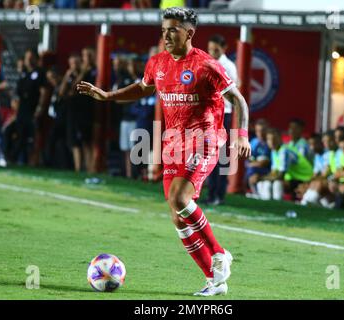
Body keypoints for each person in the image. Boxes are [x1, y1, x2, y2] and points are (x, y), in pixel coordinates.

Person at [77, 7, 251, 296]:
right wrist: (108, 96)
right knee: (177, 214)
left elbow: (239, 101)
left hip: (204, 139)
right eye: (164, 30)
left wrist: (242, 136)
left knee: (179, 197)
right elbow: (143, 88)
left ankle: (221, 253)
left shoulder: (206, 65)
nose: (166, 35)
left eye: (173, 29)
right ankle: (214, 280)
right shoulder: (157, 63)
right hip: (173, 144)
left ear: (189, 33)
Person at [206, 34, 239, 205]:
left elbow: (233, 91)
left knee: (219, 156)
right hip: (210, 114)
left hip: (222, 114)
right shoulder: (209, 63)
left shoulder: (228, 66)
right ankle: (212, 194)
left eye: (216, 49)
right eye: (210, 49)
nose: (212, 52)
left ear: (224, 48)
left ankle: (218, 194)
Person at [12, 48, 47, 165]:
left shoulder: (40, 73)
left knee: (33, 137)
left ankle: (33, 162)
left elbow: (43, 92)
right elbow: (17, 94)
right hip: (22, 109)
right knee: (20, 135)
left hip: (33, 109)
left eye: (31, 58)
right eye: (27, 58)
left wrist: (40, 108)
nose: (29, 60)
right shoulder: (24, 74)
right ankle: (19, 160)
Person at [258, 128, 312, 201]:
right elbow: (274, 172)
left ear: (280, 138)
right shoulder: (274, 151)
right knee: (265, 182)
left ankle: (278, 205)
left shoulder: (284, 151)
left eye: (274, 139)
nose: (272, 142)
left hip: (306, 179)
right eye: (269, 139)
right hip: (294, 178)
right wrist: (264, 178)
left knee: (277, 183)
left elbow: (280, 176)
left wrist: (262, 178)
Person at [245, 119, 270, 197]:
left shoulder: (270, 142)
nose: (260, 133)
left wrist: (254, 163)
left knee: (252, 170)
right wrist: (253, 163)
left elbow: (265, 162)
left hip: (267, 170)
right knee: (251, 170)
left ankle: (256, 194)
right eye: (258, 131)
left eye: (262, 130)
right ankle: (255, 193)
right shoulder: (253, 142)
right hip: (254, 169)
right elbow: (248, 159)